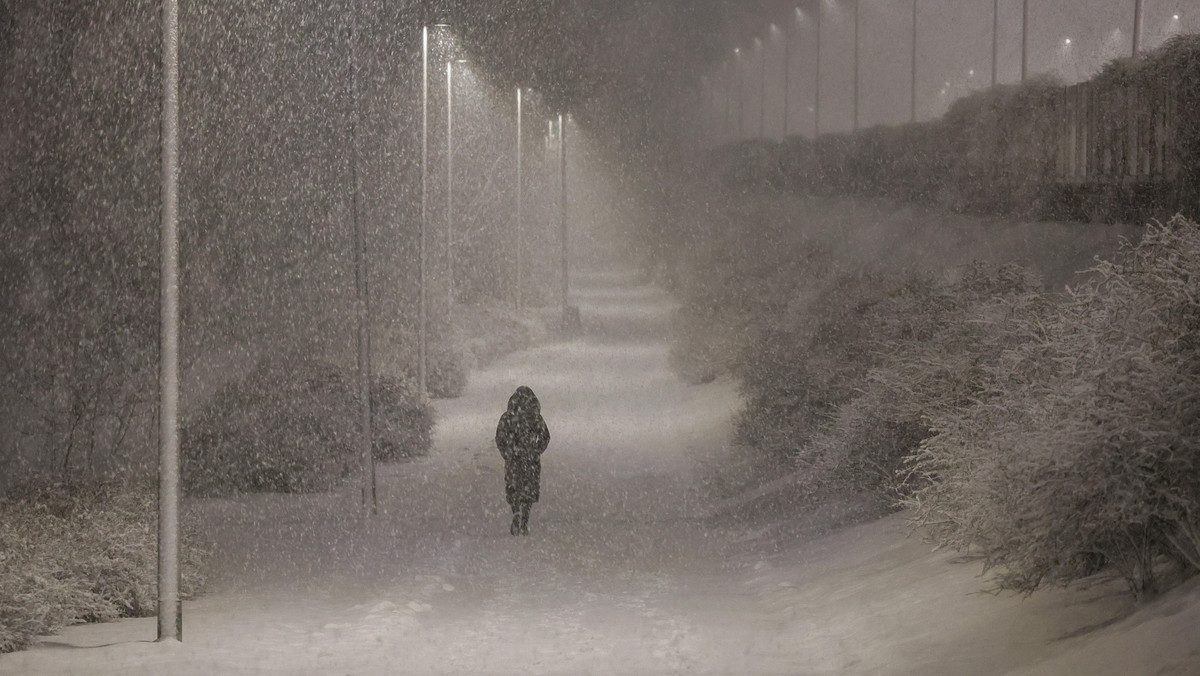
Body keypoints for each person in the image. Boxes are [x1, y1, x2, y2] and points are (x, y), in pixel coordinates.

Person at [495, 385, 550, 536]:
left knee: (514, 488)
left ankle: (515, 513)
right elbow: (546, 436)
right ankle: (525, 520)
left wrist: (507, 452)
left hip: (513, 458)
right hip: (530, 459)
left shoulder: (508, 417)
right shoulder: (535, 417)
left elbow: (499, 437)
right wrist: (536, 450)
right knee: (529, 490)